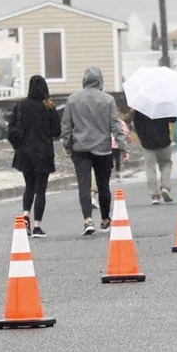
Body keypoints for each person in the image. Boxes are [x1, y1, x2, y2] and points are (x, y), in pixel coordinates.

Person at [61, 65, 119, 234]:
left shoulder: (73, 100)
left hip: (80, 148)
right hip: (103, 148)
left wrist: (68, 145)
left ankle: (88, 220)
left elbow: (66, 126)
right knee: (103, 185)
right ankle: (105, 219)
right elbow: (114, 125)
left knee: (84, 185)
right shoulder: (108, 100)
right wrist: (122, 146)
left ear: (84, 80)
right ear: (100, 80)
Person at [6, 74, 58, 234]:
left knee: (29, 186)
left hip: (25, 153)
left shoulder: (20, 105)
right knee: (40, 190)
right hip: (43, 152)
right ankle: (37, 226)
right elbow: (57, 131)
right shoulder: (48, 106)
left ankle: (25, 215)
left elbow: (11, 128)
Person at [132, 102, 177, 203]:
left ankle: (155, 195)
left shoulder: (140, 107)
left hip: (147, 141)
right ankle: (165, 186)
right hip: (163, 139)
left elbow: (136, 125)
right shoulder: (162, 104)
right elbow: (173, 119)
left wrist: (141, 137)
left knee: (150, 167)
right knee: (166, 163)